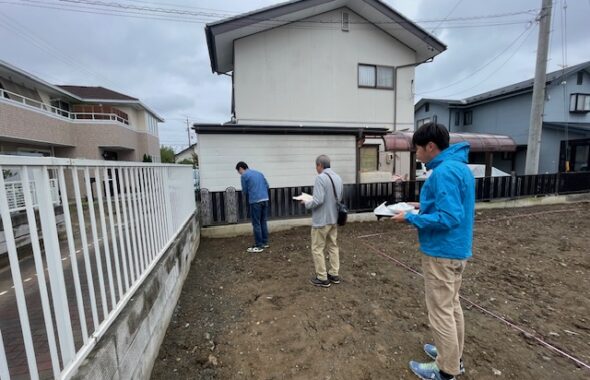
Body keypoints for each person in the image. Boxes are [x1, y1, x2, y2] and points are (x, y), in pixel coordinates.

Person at [391, 122, 475, 380]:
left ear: (430, 146)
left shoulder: (444, 172)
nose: (416, 153)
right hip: (457, 250)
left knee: (440, 311)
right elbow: (451, 205)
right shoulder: (459, 168)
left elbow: (449, 217)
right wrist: (421, 205)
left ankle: (446, 370)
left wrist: (412, 218)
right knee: (451, 306)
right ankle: (452, 356)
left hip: (442, 252)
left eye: (417, 148)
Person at [302, 155, 343, 288]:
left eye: (316, 166)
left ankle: (322, 277)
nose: (316, 168)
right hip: (334, 218)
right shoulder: (338, 177)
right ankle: (334, 274)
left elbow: (318, 200)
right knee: (333, 246)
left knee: (317, 248)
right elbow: (339, 197)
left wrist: (307, 202)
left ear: (320, 165)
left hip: (321, 220)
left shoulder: (320, 178)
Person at [235, 161, 270, 253]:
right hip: (265, 199)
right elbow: (267, 186)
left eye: (239, 171)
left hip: (255, 201)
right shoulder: (259, 173)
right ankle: (265, 242)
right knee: (263, 221)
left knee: (256, 223)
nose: (239, 173)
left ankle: (259, 245)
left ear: (241, 168)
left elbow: (245, 190)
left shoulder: (244, 176)